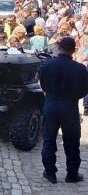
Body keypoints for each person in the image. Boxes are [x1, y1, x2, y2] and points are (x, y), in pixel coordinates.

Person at [40, 37, 88, 184]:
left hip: (51, 104)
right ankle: (72, 174)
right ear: (73, 50)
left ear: (59, 48)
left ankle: (50, 173)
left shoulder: (47, 65)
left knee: (49, 139)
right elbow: (84, 90)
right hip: (69, 106)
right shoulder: (80, 69)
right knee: (72, 142)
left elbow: (43, 85)